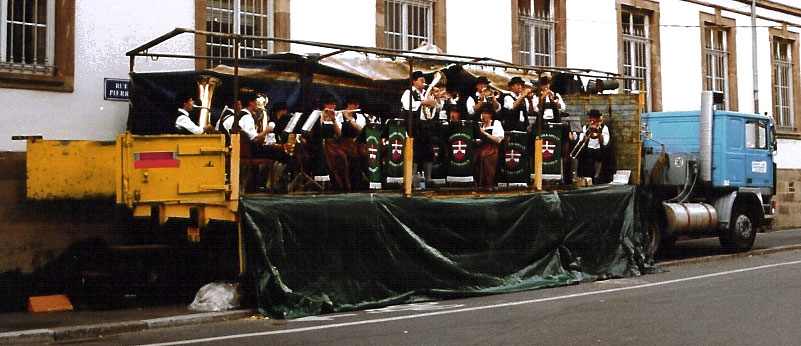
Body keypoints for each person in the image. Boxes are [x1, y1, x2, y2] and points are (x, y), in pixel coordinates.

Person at [400, 71, 438, 187]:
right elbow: (407, 106)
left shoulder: (424, 94)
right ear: (414, 81)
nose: (424, 83)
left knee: (428, 152)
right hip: (415, 126)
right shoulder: (408, 92)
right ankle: (413, 180)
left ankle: (428, 179)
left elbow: (437, 109)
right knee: (415, 153)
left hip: (426, 125)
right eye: (421, 80)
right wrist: (423, 102)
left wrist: (435, 98)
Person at [474, 104, 504, 187]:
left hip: (492, 148)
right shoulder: (481, 125)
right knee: (474, 156)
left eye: (485, 113)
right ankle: (477, 183)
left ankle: (488, 183)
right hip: (481, 147)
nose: (483, 116)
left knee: (484, 156)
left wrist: (484, 134)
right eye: (482, 114)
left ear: (490, 114)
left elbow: (498, 140)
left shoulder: (496, 123)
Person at [577, 109, 610, 183]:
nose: (592, 119)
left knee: (598, 173)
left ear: (598, 119)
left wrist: (598, 133)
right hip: (588, 152)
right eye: (590, 117)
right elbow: (580, 143)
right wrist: (584, 139)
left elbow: (605, 142)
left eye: (594, 118)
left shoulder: (604, 128)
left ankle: (597, 179)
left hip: (599, 152)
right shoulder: (585, 128)